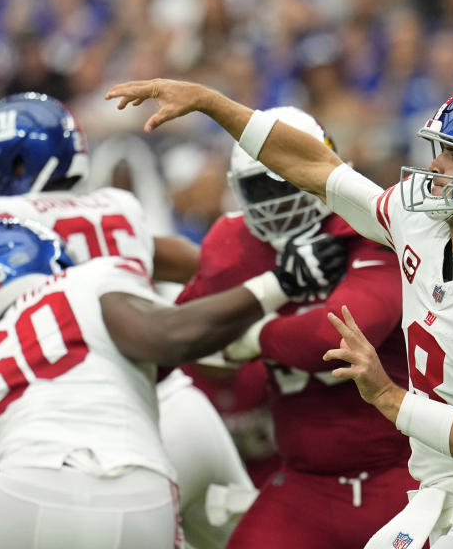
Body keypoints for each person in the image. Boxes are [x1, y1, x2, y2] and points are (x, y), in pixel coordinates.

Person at [106, 79, 453, 547]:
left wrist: (387, 396)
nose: (435, 167)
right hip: (433, 493)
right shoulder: (420, 223)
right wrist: (212, 102)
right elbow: (316, 168)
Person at [0, 215, 345, 548]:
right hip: (139, 490)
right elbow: (169, 337)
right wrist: (280, 283)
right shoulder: (88, 281)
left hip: (25, 491)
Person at [0, 91, 253, 547]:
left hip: (96, 436)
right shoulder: (117, 207)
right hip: (185, 412)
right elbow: (185, 258)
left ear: (16, 165)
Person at [177, 106, 415, 548]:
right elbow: (183, 337)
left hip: (404, 475)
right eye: (262, 182)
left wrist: (250, 337)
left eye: (285, 176)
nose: (276, 196)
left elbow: (337, 338)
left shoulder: (370, 223)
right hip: (305, 481)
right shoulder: (235, 244)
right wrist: (276, 286)